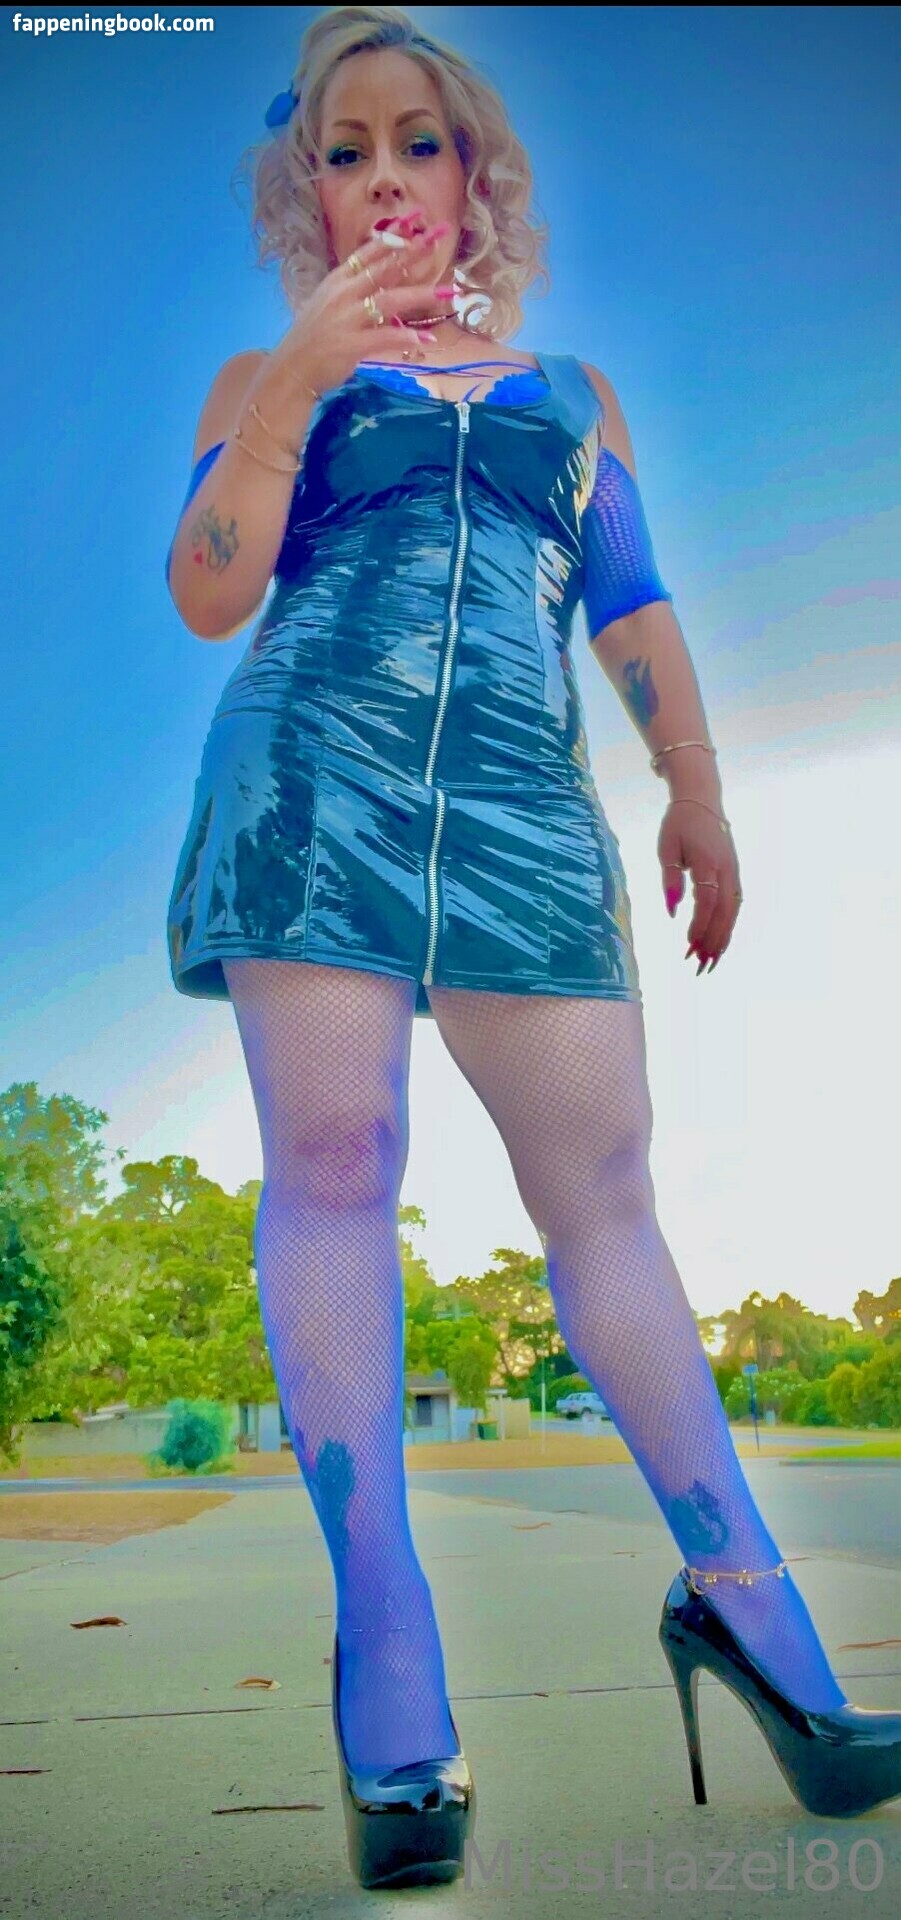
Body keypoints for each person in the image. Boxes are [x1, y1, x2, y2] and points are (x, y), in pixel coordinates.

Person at [164, 5, 901, 1891]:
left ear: (472, 169)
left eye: (416, 140)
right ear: (308, 193)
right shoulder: (268, 373)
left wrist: (695, 788)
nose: (383, 177)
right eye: (343, 150)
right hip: (308, 769)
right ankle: (387, 1656)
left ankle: (749, 1607)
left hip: (520, 799)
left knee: (606, 1199)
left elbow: (630, 602)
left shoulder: (574, 392)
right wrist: (293, 385)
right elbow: (208, 592)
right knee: (337, 1164)